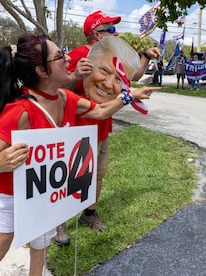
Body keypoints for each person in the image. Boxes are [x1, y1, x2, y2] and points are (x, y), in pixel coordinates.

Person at [0, 34, 157, 276]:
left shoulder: (65, 97)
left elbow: (100, 111)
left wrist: (130, 95)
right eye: (60, 56)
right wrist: (0, 161)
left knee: (41, 247)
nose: (69, 58)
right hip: (5, 195)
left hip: (40, 192)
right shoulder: (20, 111)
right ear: (42, 70)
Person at [54, 10, 161, 246]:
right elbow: (59, 86)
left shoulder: (113, 57)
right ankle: (58, 222)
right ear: (96, 34)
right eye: (111, 29)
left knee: (98, 175)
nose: (116, 33)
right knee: (69, 177)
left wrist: (146, 56)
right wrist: (74, 75)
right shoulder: (81, 54)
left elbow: (133, 75)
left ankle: (89, 215)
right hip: (77, 128)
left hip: (102, 126)